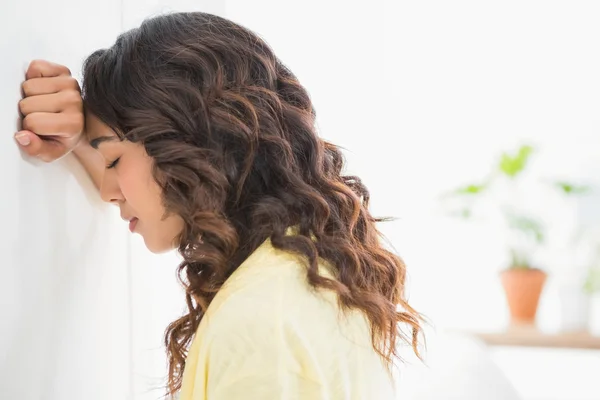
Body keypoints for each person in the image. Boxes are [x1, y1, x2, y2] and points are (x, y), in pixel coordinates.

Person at [14, 11, 422, 400]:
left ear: (191, 143)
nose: (107, 191)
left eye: (115, 160)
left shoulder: (261, 323)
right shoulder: (316, 275)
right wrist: (87, 142)